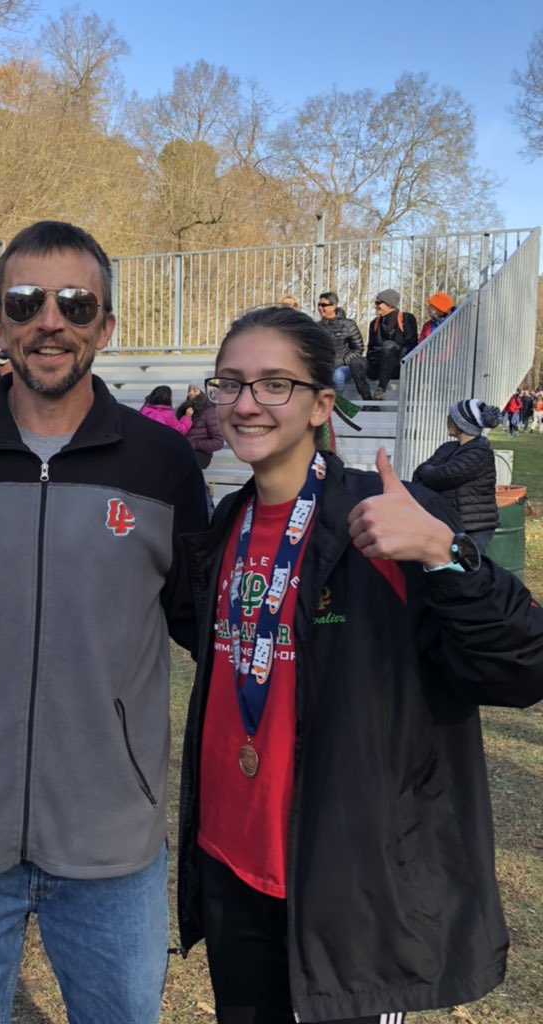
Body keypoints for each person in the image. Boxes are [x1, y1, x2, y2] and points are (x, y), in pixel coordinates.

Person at [176, 305, 543, 1024]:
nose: (248, 403)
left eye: (275, 384)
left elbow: (523, 664)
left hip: (344, 890)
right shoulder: (224, 527)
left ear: (321, 403)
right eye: (232, 383)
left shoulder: (391, 518)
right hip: (229, 867)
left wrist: (448, 554)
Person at [0, 220, 206, 1024]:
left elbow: (213, 626)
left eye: (74, 302)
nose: (48, 320)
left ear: (106, 326)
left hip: (112, 845)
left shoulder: (161, 465)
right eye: (25, 301)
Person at [413, 398, 501, 555]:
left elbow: (445, 476)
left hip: (473, 527)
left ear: (461, 424)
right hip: (452, 523)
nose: (447, 420)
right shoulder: (448, 448)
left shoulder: (479, 452)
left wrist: (427, 471)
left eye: (451, 417)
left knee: (468, 574)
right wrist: (427, 472)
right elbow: (420, 474)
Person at [316, 291, 372, 400]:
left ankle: (336, 405)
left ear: (334, 306)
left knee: (337, 376)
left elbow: (358, 348)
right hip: (325, 367)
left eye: (324, 305)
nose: (320, 308)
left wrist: (343, 361)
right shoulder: (316, 327)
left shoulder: (348, 324)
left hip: (345, 367)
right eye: (318, 305)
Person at [178, 384, 223, 517]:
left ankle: (206, 505)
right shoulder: (184, 410)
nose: (191, 393)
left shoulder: (209, 411)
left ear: (202, 393)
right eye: (189, 390)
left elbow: (218, 442)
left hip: (200, 454)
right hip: (185, 452)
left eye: (195, 390)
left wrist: (195, 444)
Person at [367, 289, 418, 400]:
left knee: (388, 345)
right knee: (356, 363)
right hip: (377, 365)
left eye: (378, 303)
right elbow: (370, 348)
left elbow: (411, 345)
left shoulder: (406, 318)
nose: (374, 306)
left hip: (398, 366)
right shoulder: (374, 323)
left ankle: (381, 389)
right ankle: (368, 401)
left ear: (389, 304)